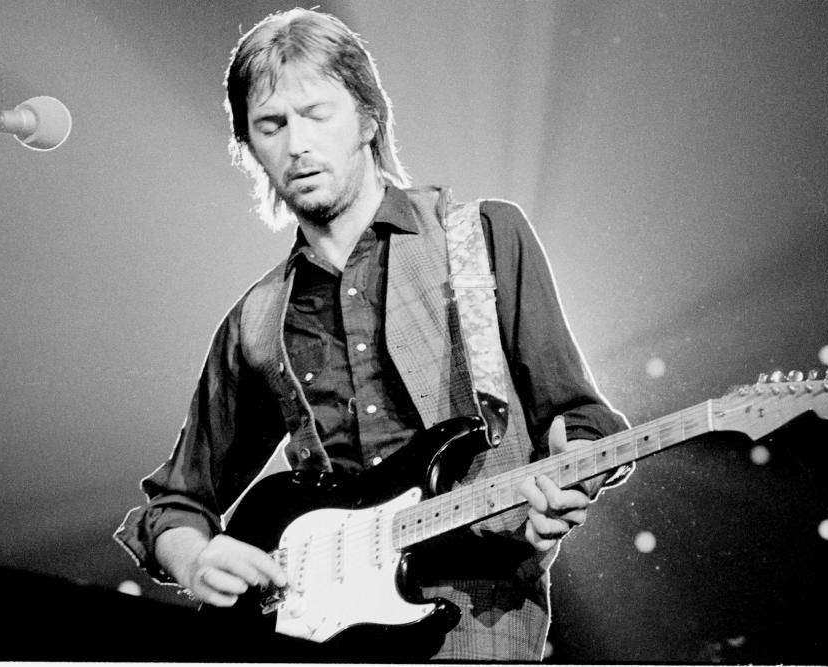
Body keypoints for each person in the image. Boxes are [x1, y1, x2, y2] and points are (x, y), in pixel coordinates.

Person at [115, 8, 631, 662]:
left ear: (367, 118)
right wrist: (191, 556)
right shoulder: (257, 317)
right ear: (249, 147)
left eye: (316, 114)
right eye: (270, 125)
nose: (296, 144)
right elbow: (176, 501)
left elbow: (578, 417)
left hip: (475, 611)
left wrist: (572, 472)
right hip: (313, 630)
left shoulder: (481, 238)